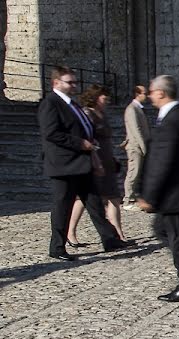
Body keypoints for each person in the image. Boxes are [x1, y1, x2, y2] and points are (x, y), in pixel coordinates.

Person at [38, 66, 130, 261]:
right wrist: (80, 143)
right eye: (70, 82)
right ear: (56, 83)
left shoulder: (73, 104)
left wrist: (93, 151)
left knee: (95, 202)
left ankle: (109, 239)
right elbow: (51, 133)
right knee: (63, 206)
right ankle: (57, 247)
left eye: (75, 82)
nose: (74, 86)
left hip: (82, 162)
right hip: (64, 165)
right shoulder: (51, 104)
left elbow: (85, 128)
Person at [137, 75, 179, 302]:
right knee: (165, 231)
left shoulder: (172, 120)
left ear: (162, 93)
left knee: (177, 236)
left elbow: (161, 162)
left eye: (152, 92)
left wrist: (148, 195)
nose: (149, 96)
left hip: (173, 192)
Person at [67, 84, 127, 244]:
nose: (106, 100)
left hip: (107, 159)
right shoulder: (87, 114)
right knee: (83, 200)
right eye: (103, 97)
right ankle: (71, 232)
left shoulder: (102, 114)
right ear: (95, 97)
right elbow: (86, 138)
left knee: (114, 198)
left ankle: (119, 235)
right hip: (95, 160)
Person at [122, 85, 150, 210]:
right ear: (138, 94)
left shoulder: (138, 109)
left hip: (139, 145)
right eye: (145, 93)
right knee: (133, 171)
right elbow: (135, 130)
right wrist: (143, 147)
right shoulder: (132, 109)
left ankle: (136, 196)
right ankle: (128, 199)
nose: (147, 95)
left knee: (138, 172)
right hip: (135, 146)